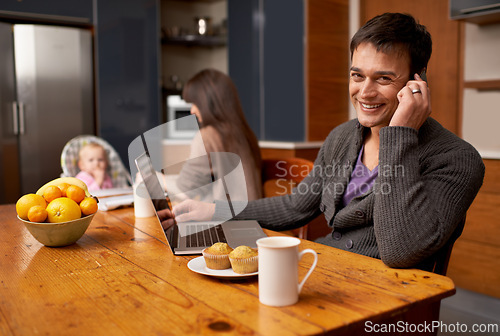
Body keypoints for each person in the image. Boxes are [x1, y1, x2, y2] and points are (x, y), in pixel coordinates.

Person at [169, 13, 485, 271]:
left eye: (384, 78)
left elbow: (400, 251)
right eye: (357, 75)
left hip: (387, 301)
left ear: (418, 81)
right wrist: (213, 209)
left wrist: (400, 135)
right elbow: (296, 205)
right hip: (320, 271)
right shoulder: (343, 137)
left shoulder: (457, 159)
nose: (365, 92)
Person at [173, 68, 263, 202]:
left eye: (194, 103)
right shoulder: (246, 134)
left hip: (226, 221)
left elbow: (184, 191)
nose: (192, 110)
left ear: (207, 103)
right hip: (255, 220)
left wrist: (153, 180)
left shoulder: (207, 137)